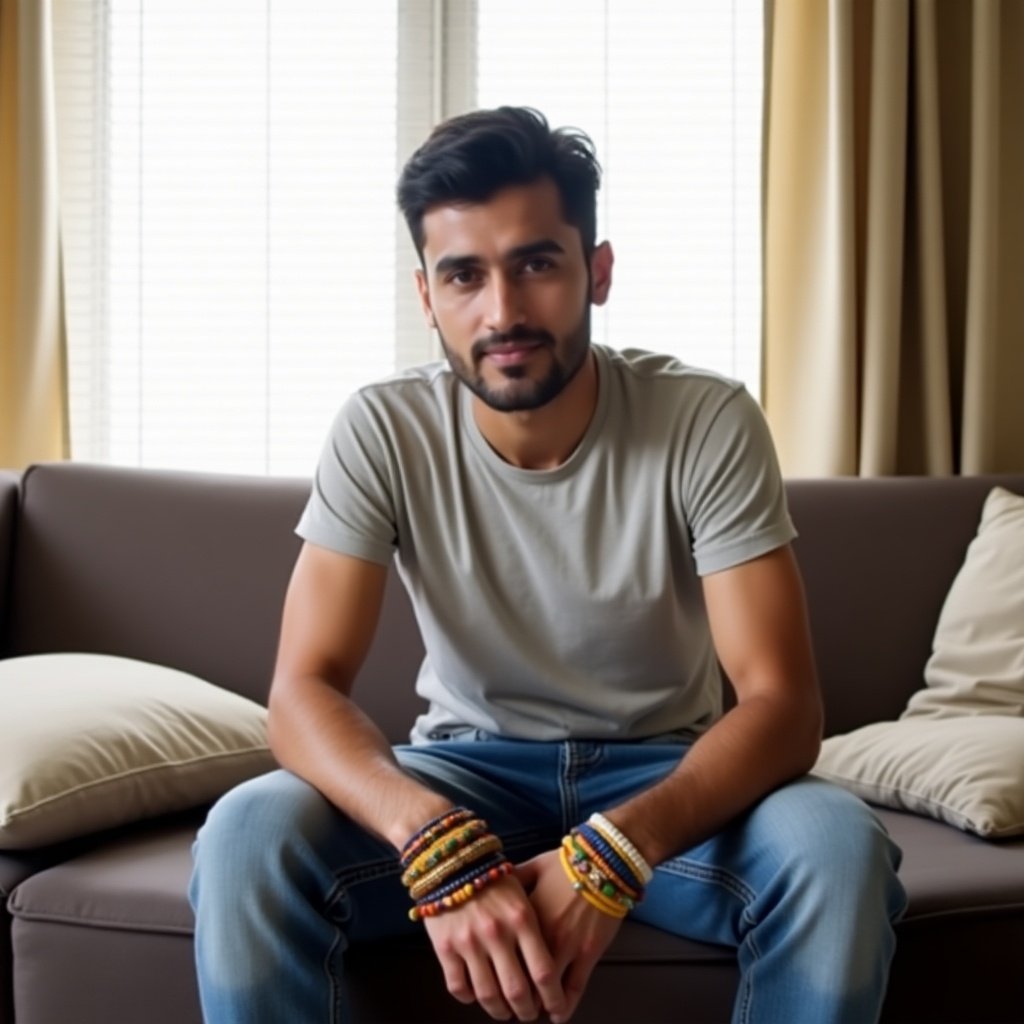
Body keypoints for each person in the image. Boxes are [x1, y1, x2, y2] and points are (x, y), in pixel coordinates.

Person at [189, 106, 906, 1024]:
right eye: (464, 276)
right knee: (248, 831)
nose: (503, 312)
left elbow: (781, 702)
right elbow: (302, 690)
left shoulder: (706, 419)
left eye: (536, 263)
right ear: (426, 297)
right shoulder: (381, 428)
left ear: (596, 273)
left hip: (666, 779)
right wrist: (430, 837)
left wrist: (615, 851)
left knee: (836, 846)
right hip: (465, 775)